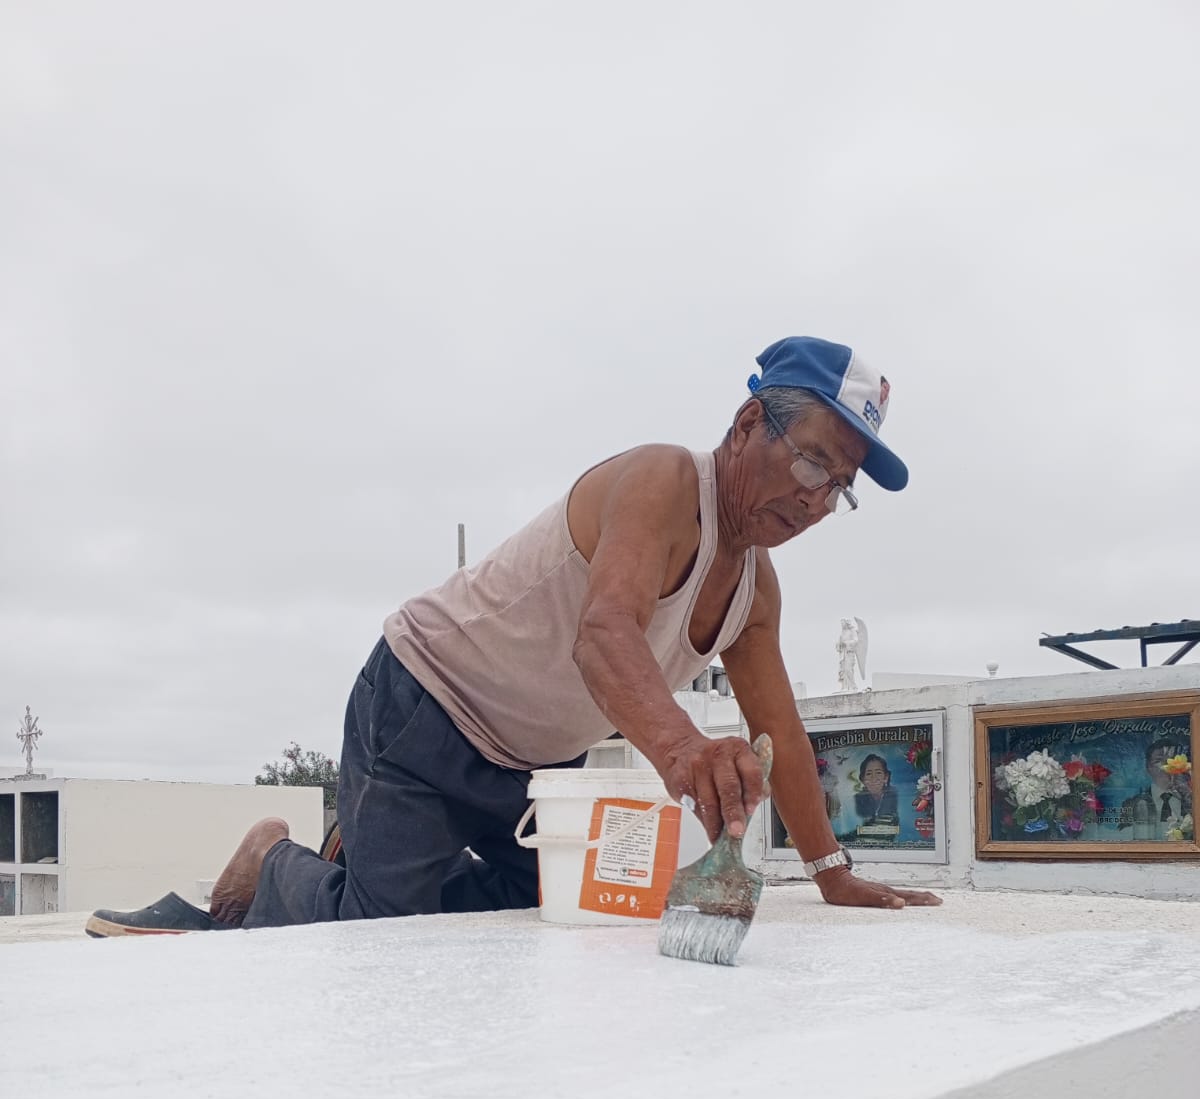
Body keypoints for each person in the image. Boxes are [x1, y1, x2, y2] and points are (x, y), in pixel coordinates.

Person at [86, 336, 942, 938]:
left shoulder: (755, 591)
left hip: (530, 769)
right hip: (423, 706)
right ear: (750, 422)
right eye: (812, 461)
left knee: (548, 907)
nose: (817, 498)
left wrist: (831, 873)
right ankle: (275, 860)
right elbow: (603, 636)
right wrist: (686, 753)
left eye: (841, 487)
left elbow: (778, 729)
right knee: (380, 931)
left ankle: (367, 853)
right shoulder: (664, 481)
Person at [852, 754, 900, 826]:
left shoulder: (894, 795)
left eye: (878, 773)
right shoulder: (858, 798)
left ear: (886, 777)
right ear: (863, 779)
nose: (874, 778)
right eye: (868, 774)